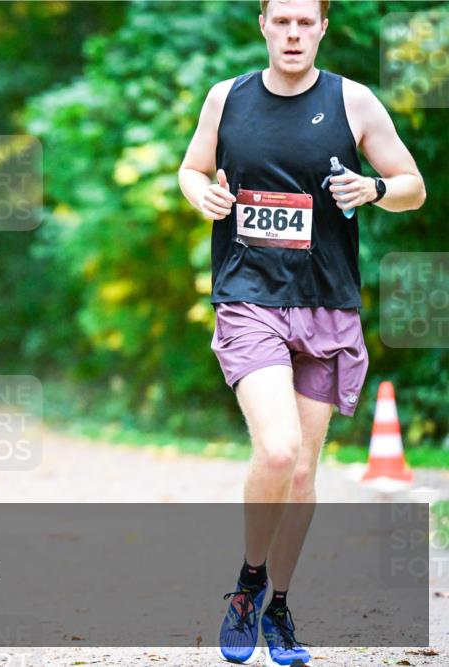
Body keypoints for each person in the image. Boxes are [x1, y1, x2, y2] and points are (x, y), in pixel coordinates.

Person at [177, 1, 425, 665]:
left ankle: (278, 605)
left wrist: (373, 190)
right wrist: (197, 191)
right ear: (263, 24)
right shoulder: (226, 98)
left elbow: (412, 185)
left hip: (327, 304)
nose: (291, 33)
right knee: (280, 450)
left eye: (303, 22)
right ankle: (247, 584)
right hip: (248, 297)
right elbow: (192, 168)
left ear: (322, 28)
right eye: (280, 20)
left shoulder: (355, 102)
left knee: (305, 471)